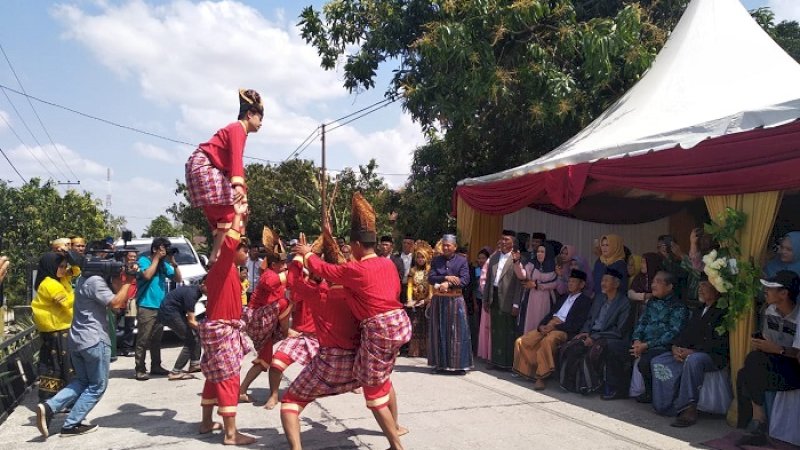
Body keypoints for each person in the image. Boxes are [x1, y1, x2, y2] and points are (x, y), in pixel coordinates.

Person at [294, 193, 411, 450]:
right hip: (399, 325)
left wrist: (306, 254)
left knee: (373, 390)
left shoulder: (356, 270)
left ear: (357, 245)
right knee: (383, 379)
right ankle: (397, 429)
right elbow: (342, 265)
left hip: (379, 329)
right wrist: (329, 237)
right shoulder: (386, 264)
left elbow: (327, 270)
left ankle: (396, 446)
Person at [35, 256, 135, 438]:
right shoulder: (96, 281)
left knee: (81, 381)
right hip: (94, 340)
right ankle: (71, 424)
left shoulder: (83, 279)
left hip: (77, 339)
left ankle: (50, 406)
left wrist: (117, 280)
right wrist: (128, 282)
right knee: (98, 385)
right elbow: (116, 304)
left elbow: (115, 304)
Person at [280, 231, 363, 450]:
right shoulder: (358, 292)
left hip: (330, 364)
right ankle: (395, 437)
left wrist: (301, 257)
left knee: (290, 402)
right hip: (359, 365)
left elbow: (292, 281)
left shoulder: (317, 294)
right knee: (383, 388)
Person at [197, 198, 256, 445]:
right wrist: (237, 217)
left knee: (214, 376)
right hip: (223, 331)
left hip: (218, 329)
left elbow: (226, 242)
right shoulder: (224, 266)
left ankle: (206, 422)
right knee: (229, 378)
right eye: (244, 249)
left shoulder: (224, 269)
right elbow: (228, 243)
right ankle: (231, 434)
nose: (247, 253)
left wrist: (238, 220)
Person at [185, 89, 263, 265]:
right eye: (260, 118)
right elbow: (236, 159)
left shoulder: (236, 130)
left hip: (204, 169)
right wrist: (237, 187)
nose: (261, 123)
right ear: (250, 114)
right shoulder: (238, 128)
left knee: (225, 216)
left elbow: (230, 166)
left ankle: (216, 254)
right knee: (232, 210)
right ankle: (218, 255)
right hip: (204, 167)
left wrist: (243, 193)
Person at [650, 277, 728, 426]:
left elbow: (718, 342)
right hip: (690, 351)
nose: (701, 288)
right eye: (700, 285)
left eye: (705, 285)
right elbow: (686, 333)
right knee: (658, 361)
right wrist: (675, 347)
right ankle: (665, 404)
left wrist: (691, 352)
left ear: (717, 288)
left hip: (712, 355)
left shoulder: (723, 311)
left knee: (694, 360)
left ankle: (688, 408)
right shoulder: (699, 309)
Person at [735, 270, 800, 446]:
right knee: (746, 371)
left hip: (794, 368)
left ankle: (758, 422)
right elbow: (768, 340)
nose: (766, 291)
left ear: (784, 293)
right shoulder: (770, 310)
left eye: (771, 288)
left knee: (752, 364)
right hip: (774, 361)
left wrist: (778, 349)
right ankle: (754, 423)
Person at [607, 271, 689, 402]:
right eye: (653, 282)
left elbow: (673, 333)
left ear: (669, 287)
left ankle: (651, 394)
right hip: (642, 343)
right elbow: (642, 322)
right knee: (613, 346)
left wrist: (647, 345)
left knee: (646, 362)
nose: (653, 285)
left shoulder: (678, 307)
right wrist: (637, 340)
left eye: (658, 282)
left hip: (661, 347)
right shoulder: (652, 302)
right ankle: (619, 389)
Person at [513, 269, 592, 390]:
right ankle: (530, 372)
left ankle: (541, 377)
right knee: (522, 341)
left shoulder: (584, 301)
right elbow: (551, 313)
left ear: (581, 285)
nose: (570, 284)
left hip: (564, 330)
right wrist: (542, 325)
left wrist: (554, 327)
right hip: (550, 325)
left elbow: (576, 325)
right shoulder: (563, 297)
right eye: (569, 281)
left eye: (574, 282)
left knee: (548, 341)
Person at [263, 248, 320, 410]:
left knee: (336, 370)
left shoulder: (326, 287)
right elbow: (293, 286)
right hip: (300, 336)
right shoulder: (301, 288)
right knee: (276, 364)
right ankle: (273, 395)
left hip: (320, 339)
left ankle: (353, 385)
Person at [559, 268, 631, 394]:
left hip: (608, 338)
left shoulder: (624, 303)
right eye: (602, 280)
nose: (603, 283)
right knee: (570, 347)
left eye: (607, 281)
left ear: (616, 284)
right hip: (591, 334)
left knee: (592, 352)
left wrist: (595, 337)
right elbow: (590, 319)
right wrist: (585, 332)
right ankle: (570, 384)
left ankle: (588, 385)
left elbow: (619, 330)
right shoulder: (599, 298)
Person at [239, 227, 290, 404]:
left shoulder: (277, 273)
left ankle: (243, 390)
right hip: (258, 320)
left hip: (267, 321)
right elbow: (273, 283)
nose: (284, 266)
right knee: (284, 303)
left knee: (264, 361)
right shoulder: (268, 275)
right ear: (273, 264)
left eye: (285, 264)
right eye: (281, 264)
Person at [134, 237, 181, 380]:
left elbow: (178, 279)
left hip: (160, 307)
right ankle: (140, 368)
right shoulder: (144, 260)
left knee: (156, 339)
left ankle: (156, 365)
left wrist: (174, 264)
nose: (164, 252)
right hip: (146, 305)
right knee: (143, 339)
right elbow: (147, 275)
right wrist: (156, 258)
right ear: (155, 249)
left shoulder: (163, 264)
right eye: (162, 249)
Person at [32, 252, 76, 400]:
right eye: (61, 266)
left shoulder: (58, 280)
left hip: (60, 329)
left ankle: (56, 400)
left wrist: (71, 258)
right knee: (59, 368)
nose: (64, 270)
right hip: (56, 331)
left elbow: (76, 271)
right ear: (51, 267)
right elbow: (66, 302)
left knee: (58, 366)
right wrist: (80, 296)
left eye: (65, 266)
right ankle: (57, 400)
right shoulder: (50, 284)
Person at [427, 234, 472, 373]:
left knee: (457, 333)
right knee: (439, 331)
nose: (446, 248)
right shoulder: (436, 260)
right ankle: (439, 365)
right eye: (444, 245)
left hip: (455, 301)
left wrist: (448, 284)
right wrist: (445, 277)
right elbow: (431, 278)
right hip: (439, 301)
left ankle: (459, 366)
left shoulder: (462, 261)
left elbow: (464, 280)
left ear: (455, 247)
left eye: (449, 245)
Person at [482, 230, 524, 370]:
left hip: (509, 299)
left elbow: (520, 284)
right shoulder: (494, 258)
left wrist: (516, 303)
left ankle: (507, 363)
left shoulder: (517, 259)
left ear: (513, 242)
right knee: (495, 330)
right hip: (494, 296)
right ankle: (495, 361)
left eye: (506, 240)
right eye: (502, 239)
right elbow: (488, 280)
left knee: (508, 331)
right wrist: (486, 299)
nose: (503, 242)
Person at [158, 278, 207, 380]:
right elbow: (192, 321)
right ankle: (176, 372)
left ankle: (194, 364)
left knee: (196, 335)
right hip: (169, 314)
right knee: (190, 340)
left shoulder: (195, 292)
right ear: (203, 284)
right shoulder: (192, 294)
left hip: (175, 312)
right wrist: (207, 329)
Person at [514, 243, 558, 334]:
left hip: (546, 299)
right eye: (538, 251)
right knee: (529, 323)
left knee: (541, 322)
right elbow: (522, 275)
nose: (539, 254)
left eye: (542, 252)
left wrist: (537, 285)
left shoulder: (554, 267)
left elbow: (555, 283)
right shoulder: (531, 264)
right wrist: (516, 262)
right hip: (531, 298)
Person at [405, 240, 433, 358]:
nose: (420, 259)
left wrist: (427, 300)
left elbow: (431, 288)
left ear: (427, 258)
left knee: (427, 326)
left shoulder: (430, 271)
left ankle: (427, 351)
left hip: (427, 303)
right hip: (415, 303)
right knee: (415, 325)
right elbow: (410, 286)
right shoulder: (412, 271)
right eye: (418, 257)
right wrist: (410, 299)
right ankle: (415, 351)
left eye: (422, 257)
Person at [627, 253, 663, 324]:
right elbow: (630, 293)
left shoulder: (660, 278)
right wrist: (644, 296)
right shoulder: (639, 277)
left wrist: (647, 300)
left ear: (651, 263)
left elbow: (659, 295)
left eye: (644, 262)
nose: (641, 265)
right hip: (639, 311)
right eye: (641, 262)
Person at [117, 249, 139, 357]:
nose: (133, 259)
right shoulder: (119, 268)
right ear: (126, 257)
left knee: (130, 325)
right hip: (119, 299)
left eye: (135, 257)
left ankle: (127, 348)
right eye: (131, 256)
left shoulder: (137, 269)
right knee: (114, 324)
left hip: (131, 300)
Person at [474, 248, 492, 360]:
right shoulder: (476, 270)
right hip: (479, 300)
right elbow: (474, 288)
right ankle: (479, 349)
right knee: (479, 326)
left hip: (488, 300)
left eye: (483, 258)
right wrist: (475, 303)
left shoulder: (491, 269)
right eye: (479, 258)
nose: (481, 260)